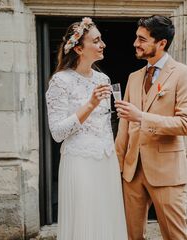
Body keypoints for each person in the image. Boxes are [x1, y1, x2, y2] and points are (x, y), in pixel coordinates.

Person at [115, 15, 187, 240]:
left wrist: (142, 117)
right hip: (132, 172)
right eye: (136, 38)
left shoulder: (184, 74)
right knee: (133, 236)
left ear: (161, 43)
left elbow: (186, 124)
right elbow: (124, 125)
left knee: (174, 236)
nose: (136, 44)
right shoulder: (134, 77)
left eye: (142, 39)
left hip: (167, 172)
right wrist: (118, 164)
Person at [46, 17, 127, 240]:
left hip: (106, 159)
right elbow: (58, 133)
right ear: (79, 48)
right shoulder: (60, 81)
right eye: (97, 40)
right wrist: (90, 105)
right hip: (79, 160)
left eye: (101, 40)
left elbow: (103, 124)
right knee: (84, 221)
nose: (103, 45)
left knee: (107, 218)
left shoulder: (103, 78)